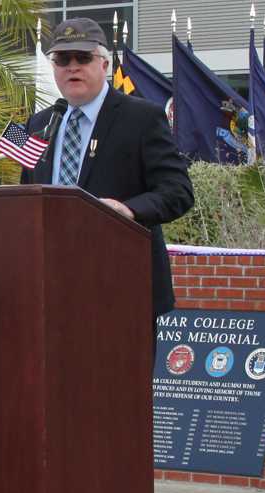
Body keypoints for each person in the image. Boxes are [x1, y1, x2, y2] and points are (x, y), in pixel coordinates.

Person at [21, 17, 193, 321]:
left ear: (104, 64)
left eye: (83, 57)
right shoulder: (39, 124)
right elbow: (26, 197)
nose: (72, 66)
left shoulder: (142, 118)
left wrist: (129, 210)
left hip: (122, 285)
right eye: (62, 58)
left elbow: (178, 191)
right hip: (50, 286)